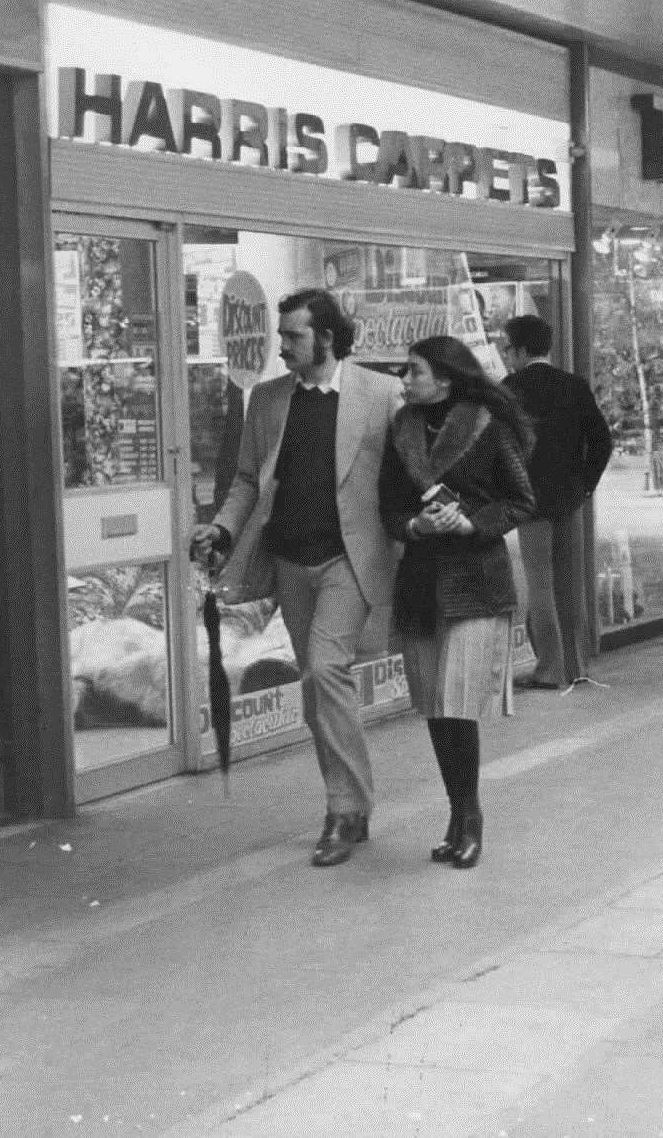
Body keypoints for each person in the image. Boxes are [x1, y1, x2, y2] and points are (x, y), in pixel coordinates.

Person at [191, 289, 403, 868]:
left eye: (293, 337)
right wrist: (223, 531)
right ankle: (349, 803)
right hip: (290, 562)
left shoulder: (381, 394)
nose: (281, 347)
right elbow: (245, 482)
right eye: (282, 336)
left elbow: (410, 471)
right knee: (315, 685)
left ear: (327, 339)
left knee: (327, 667)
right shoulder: (267, 400)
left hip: (350, 562)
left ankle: (344, 808)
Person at [379, 336, 535, 869]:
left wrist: (471, 522)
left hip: (475, 584)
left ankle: (470, 819)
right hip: (421, 582)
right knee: (435, 711)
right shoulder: (401, 430)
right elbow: (388, 509)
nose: (404, 381)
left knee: (456, 706)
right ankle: (455, 814)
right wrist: (414, 525)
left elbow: (521, 500)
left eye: (413, 372)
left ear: (444, 378)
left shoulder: (486, 425)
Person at [500, 315, 612, 690]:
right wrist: (585, 484)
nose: (505, 355)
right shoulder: (574, 386)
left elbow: (499, 450)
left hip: (530, 504)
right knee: (571, 585)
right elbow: (602, 441)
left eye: (507, 348)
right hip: (570, 500)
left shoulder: (509, 391)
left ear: (519, 350)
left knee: (541, 587)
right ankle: (574, 665)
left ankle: (549, 669)